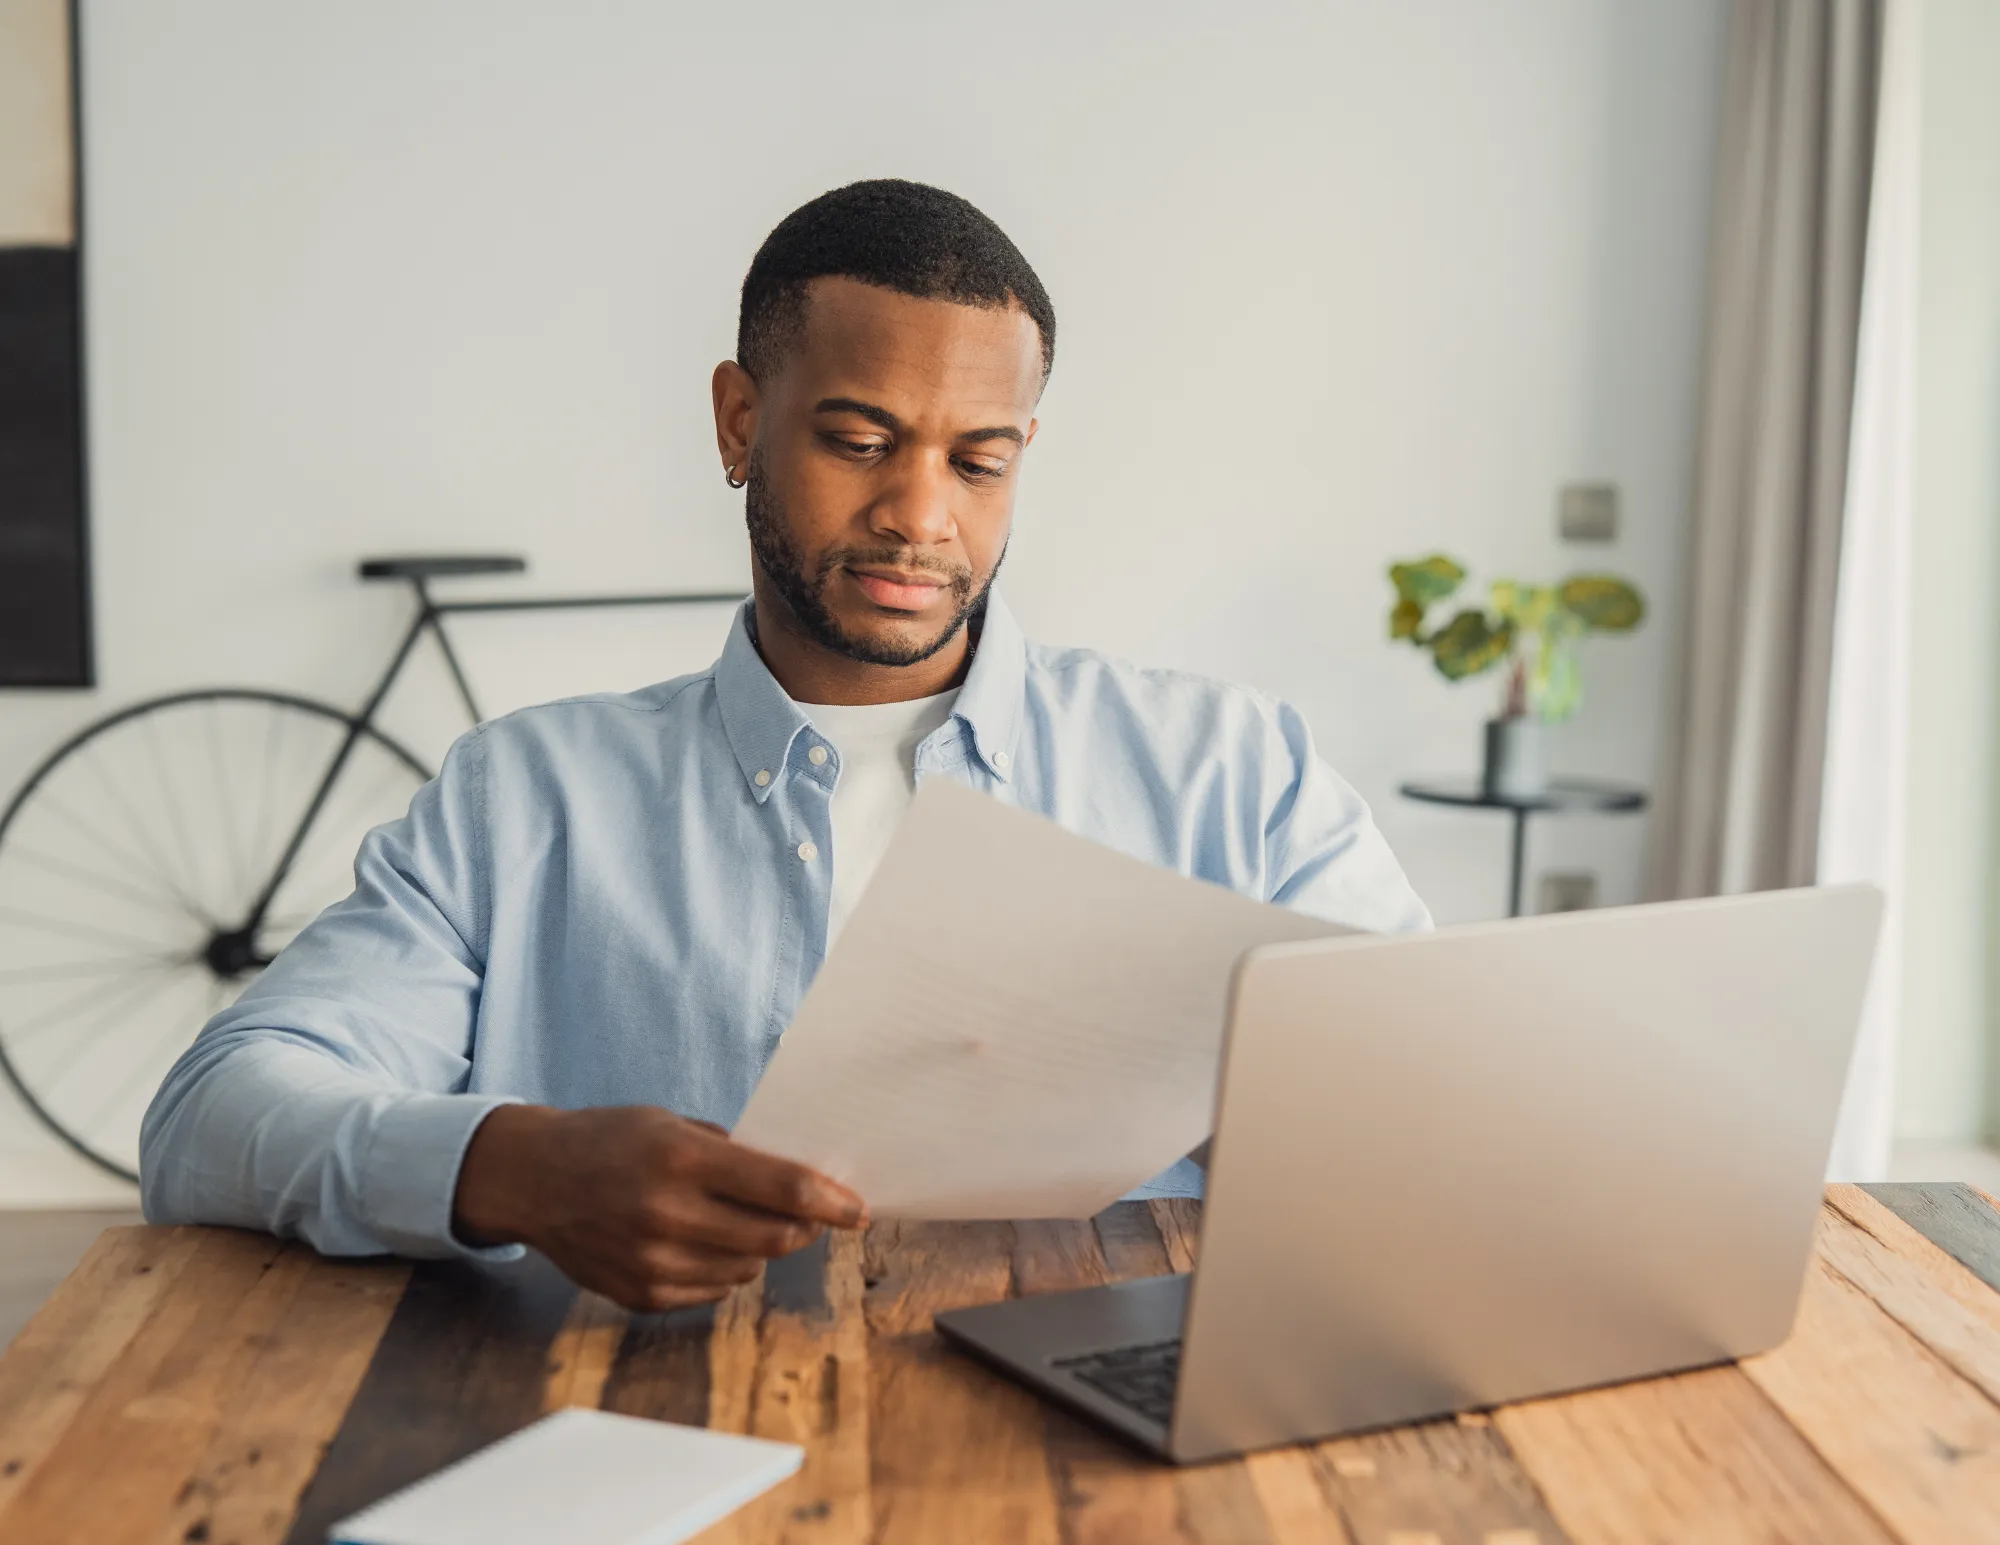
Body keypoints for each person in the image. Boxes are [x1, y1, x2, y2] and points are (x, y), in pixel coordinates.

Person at [140, 179, 1430, 1312]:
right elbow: (212, 1118)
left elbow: (1433, 1108)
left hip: (1093, 1452)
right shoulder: (524, 800)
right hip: (644, 1433)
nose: (920, 516)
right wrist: (514, 1168)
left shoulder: (1232, 775)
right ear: (740, 423)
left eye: (979, 464)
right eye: (859, 443)